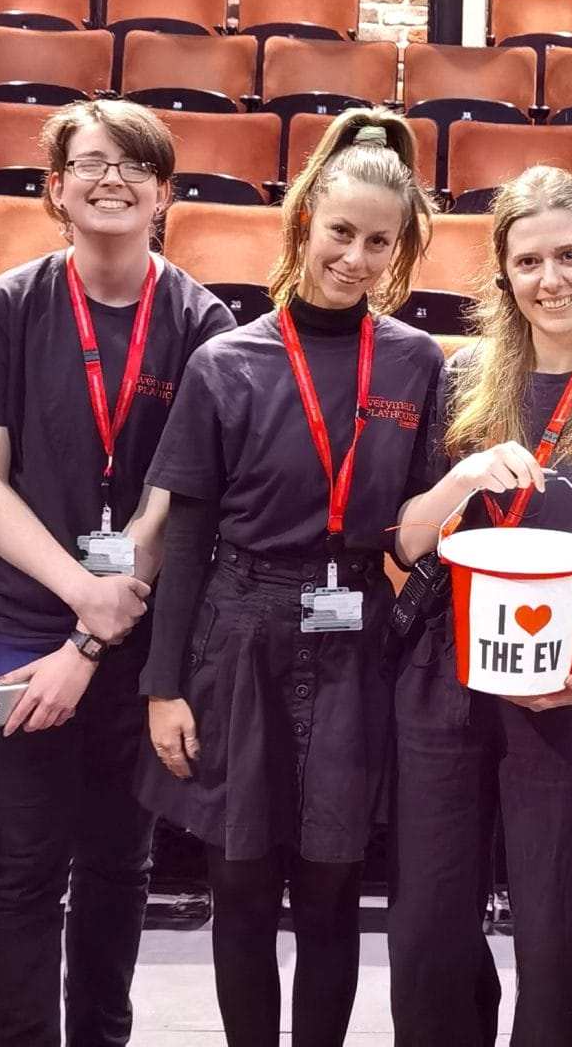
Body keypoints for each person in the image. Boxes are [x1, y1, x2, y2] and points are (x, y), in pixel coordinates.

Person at [135, 107, 440, 1047]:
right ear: (305, 221)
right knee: (240, 883)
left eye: (378, 241)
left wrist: (400, 629)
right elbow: (185, 538)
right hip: (241, 628)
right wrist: (162, 686)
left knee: (333, 886)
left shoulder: (417, 362)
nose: (354, 255)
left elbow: (425, 525)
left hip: (356, 636)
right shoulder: (227, 362)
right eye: (340, 231)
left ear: (399, 252)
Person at [387, 164, 572, 1047]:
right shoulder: (460, 377)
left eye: (566, 256)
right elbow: (403, 541)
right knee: (428, 927)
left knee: (555, 936)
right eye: (526, 262)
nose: (548, 279)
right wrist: (467, 474)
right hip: (443, 681)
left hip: (565, 686)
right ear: (504, 274)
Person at [0, 99, 234, 1046]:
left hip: (135, 635)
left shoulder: (203, 321)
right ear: (54, 191)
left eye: (134, 165)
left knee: (120, 867)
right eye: (89, 163)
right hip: (16, 618)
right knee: (19, 867)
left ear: (165, 192)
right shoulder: (7, 306)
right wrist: (80, 593)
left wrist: (96, 628)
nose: (110, 179)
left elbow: (177, 503)